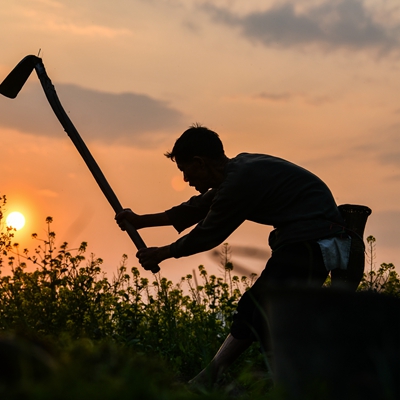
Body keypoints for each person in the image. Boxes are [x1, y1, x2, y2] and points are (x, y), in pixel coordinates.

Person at [115, 124, 352, 388]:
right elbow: (197, 208)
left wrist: (162, 253)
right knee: (253, 309)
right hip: (300, 243)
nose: (185, 179)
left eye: (185, 170)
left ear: (200, 162)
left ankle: (294, 383)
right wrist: (140, 221)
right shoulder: (237, 173)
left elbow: (209, 232)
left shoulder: (241, 180)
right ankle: (209, 378)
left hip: (315, 243)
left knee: (270, 311)